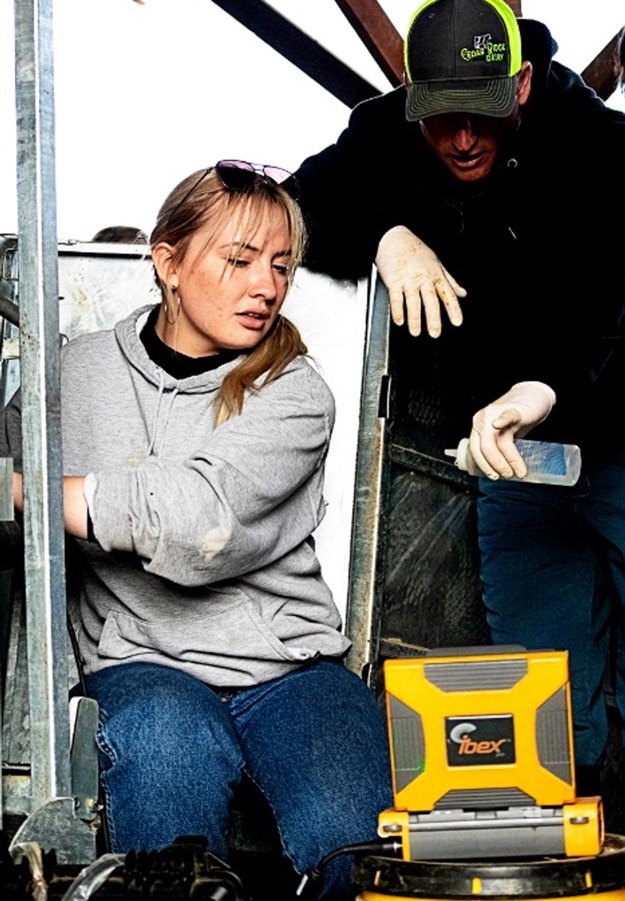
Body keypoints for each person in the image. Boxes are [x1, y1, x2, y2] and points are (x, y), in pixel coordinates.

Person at [2, 160, 392, 899]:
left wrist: (24, 490)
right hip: (142, 661)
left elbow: (197, 521)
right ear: (168, 262)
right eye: (239, 261)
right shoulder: (71, 376)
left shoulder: (295, 391)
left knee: (358, 851)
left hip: (289, 668)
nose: (265, 286)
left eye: (281, 266)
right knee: (165, 792)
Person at [292, 0, 625, 799]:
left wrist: (547, 383)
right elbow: (293, 205)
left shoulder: (601, 149)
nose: (462, 140)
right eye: (440, 119)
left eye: (477, 116)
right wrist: (383, 232)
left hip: (613, 441)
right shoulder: (385, 133)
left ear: (517, 85)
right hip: (510, 465)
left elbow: (616, 299)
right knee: (545, 705)